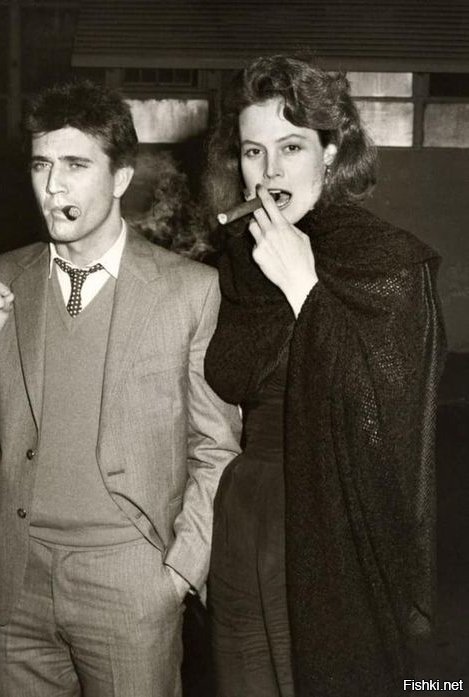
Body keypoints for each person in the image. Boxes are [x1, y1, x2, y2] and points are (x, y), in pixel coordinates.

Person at [0, 80, 241, 697]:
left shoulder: (190, 291)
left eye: (76, 165)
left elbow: (215, 449)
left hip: (131, 584)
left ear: (121, 177)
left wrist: (177, 574)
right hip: (13, 580)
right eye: (41, 165)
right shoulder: (1, 276)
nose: (53, 187)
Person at [203, 55, 445, 697]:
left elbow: (392, 420)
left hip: (330, 521)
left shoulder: (385, 260)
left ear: (331, 155)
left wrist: (305, 289)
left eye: (291, 147)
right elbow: (226, 380)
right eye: (253, 151)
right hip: (243, 516)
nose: (270, 171)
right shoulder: (240, 258)